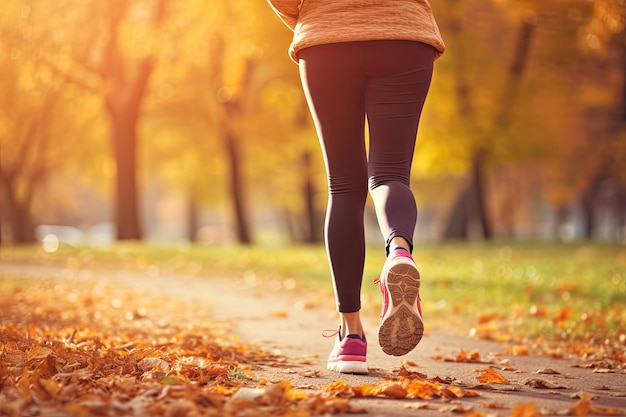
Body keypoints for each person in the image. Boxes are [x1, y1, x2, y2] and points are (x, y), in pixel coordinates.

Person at [266, 0, 445, 374]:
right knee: (391, 174)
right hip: (404, 38)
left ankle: (351, 338)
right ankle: (399, 250)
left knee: (344, 187)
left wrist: (311, 19)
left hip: (326, 40)